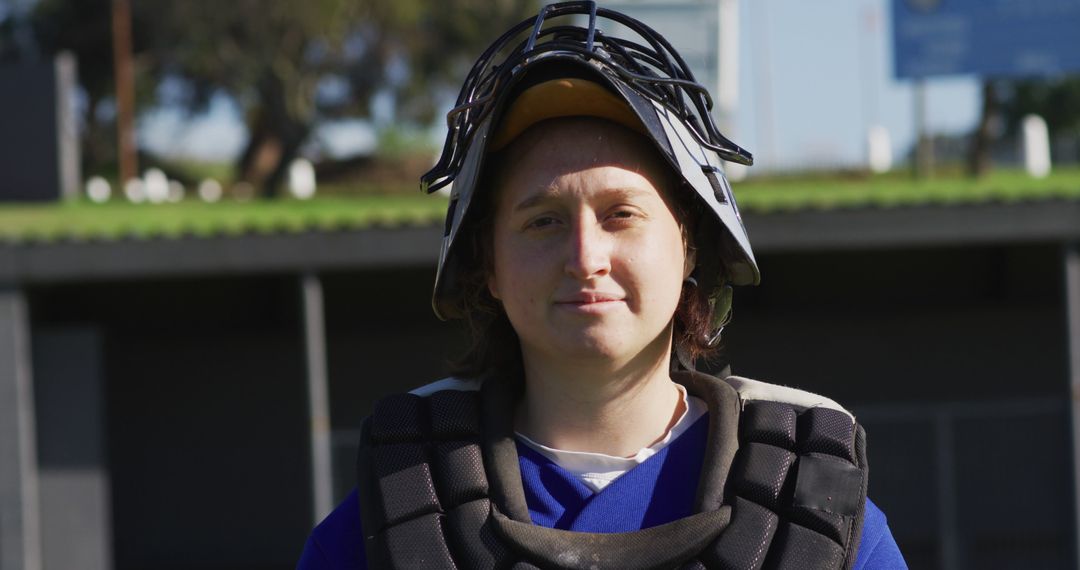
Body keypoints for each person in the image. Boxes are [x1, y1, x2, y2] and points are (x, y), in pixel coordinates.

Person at [298, 2, 906, 568]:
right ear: (487, 263)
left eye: (622, 214)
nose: (585, 257)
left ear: (689, 242)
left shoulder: (818, 518)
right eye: (543, 222)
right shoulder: (386, 520)